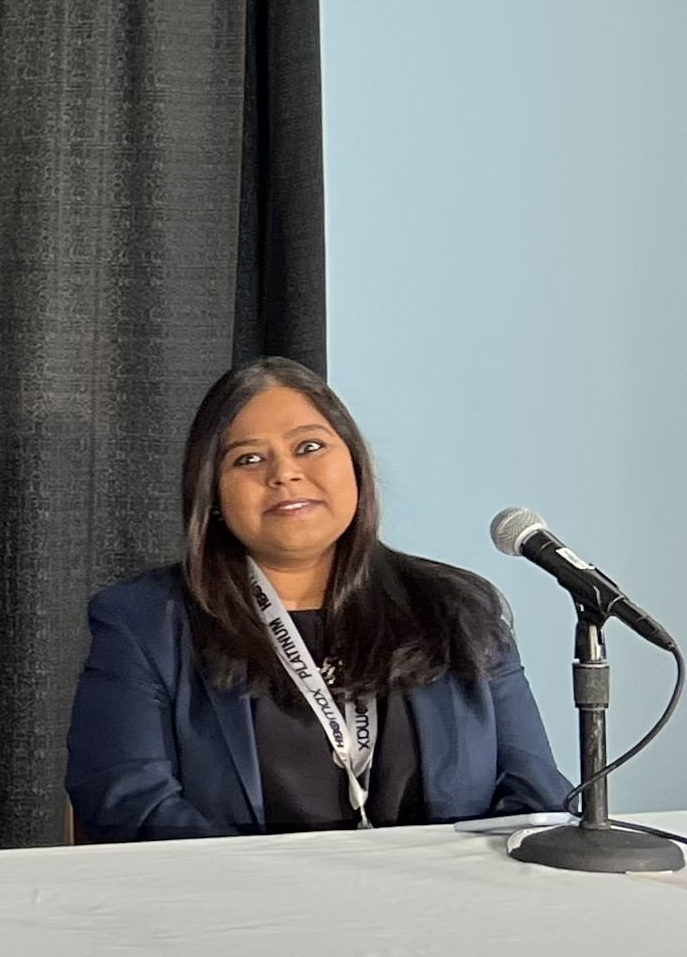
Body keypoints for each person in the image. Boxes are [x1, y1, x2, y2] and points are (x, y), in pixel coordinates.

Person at [65, 356, 570, 839]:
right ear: (212, 496)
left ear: (353, 463)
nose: (283, 473)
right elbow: (128, 801)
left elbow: (535, 792)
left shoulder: (458, 609)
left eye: (309, 447)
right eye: (249, 459)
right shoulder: (146, 622)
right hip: (241, 915)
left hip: (442, 910)